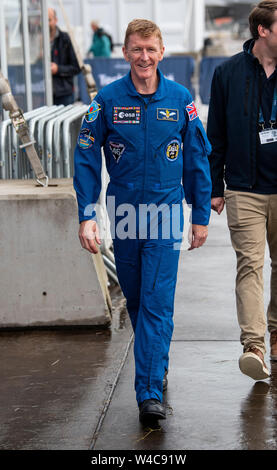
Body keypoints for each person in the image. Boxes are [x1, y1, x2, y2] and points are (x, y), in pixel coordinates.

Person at [74, 19, 212, 423]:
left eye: (151, 49)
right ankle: (157, 360)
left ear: (162, 51)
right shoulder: (107, 100)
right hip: (125, 213)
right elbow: (85, 157)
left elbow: (197, 159)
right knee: (136, 299)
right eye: (136, 49)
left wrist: (199, 215)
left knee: (155, 302)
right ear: (125, 53)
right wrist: (87, 215)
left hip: (167, 212)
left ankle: (148, 392)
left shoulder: (181, 99)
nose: (144, 57)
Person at [207, 0, 277, 382]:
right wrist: (215, 186)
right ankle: (254, 346)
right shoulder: (228, 73)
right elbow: (214, 133)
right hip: (244, 190)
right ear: (263, 30)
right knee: (250, 266)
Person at [48, 8, 80, 105]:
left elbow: (76, 67)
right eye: (42, 20)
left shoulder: (65, 39)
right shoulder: (35, 39)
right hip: (42, 93)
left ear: (55, 20)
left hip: (63, 94)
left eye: (48, 20)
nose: (45, 24)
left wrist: (58, 69)